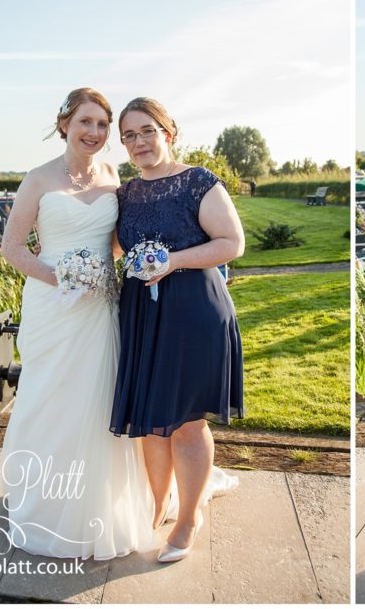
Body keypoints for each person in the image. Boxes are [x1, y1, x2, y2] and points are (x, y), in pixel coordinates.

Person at [0, 88, 160, 559]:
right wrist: (65, 277)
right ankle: (47, 504)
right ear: (64, 124)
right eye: (85, 122)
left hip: (100, 305)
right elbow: (12, 248)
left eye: (102, 125)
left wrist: (109, 265)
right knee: (52, 397)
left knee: (97, 396)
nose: (94, 132)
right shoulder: (38, 179)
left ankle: (100, 506)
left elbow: (112, 241)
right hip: (53, 305)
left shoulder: (111, 175)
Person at [109, 97, 245, 563]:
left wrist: (172, 261)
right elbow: (113, 248)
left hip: (193, 311)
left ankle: (188, 519)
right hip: (142, 315)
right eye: (129, 135)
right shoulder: (125, 194)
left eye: (147, 130)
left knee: (186, 423)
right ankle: (159, 504)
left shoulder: (198, 182)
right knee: (151, 422)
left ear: (168, 133)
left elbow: (232, 243)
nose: (138, 142)